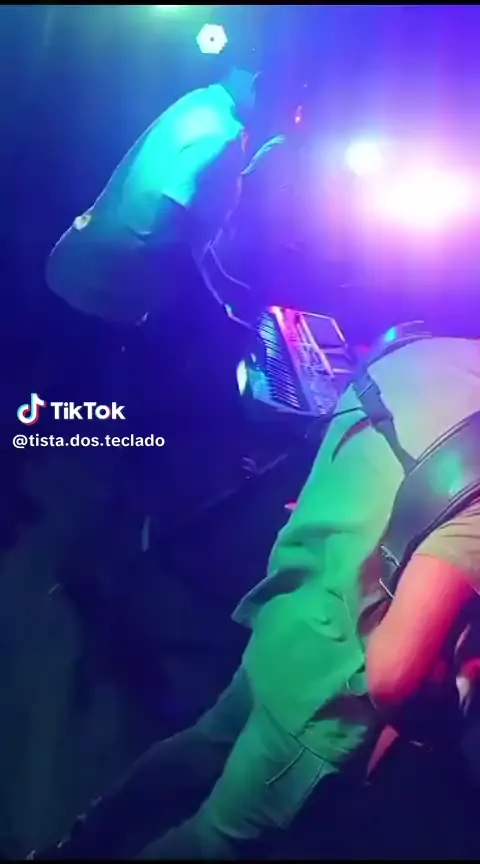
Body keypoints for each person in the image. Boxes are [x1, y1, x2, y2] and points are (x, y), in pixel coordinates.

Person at [30, 331, 480, 861]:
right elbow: (394, 677)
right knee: (215, 840)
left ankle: (77, 844)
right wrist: (454, 703)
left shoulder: (422, 350)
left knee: (201, 747)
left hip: (284, 620)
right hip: (327, 700)